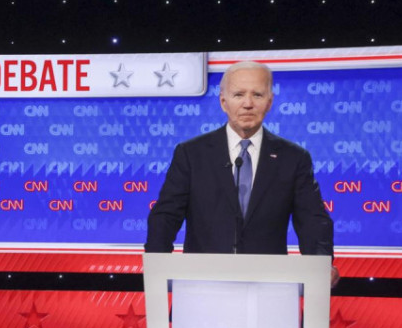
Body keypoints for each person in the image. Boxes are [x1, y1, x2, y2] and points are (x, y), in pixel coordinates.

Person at [145, 60, 338, 284]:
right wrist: (156, 264)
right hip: (202, 284)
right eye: (238, 94)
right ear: (223, 102)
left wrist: (320, 264)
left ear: (270, 101)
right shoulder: (191, 153)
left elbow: (313, 220)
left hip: (269, 286)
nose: (248, 104)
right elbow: (166, 215)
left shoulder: (293, 158)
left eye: (257, 94)